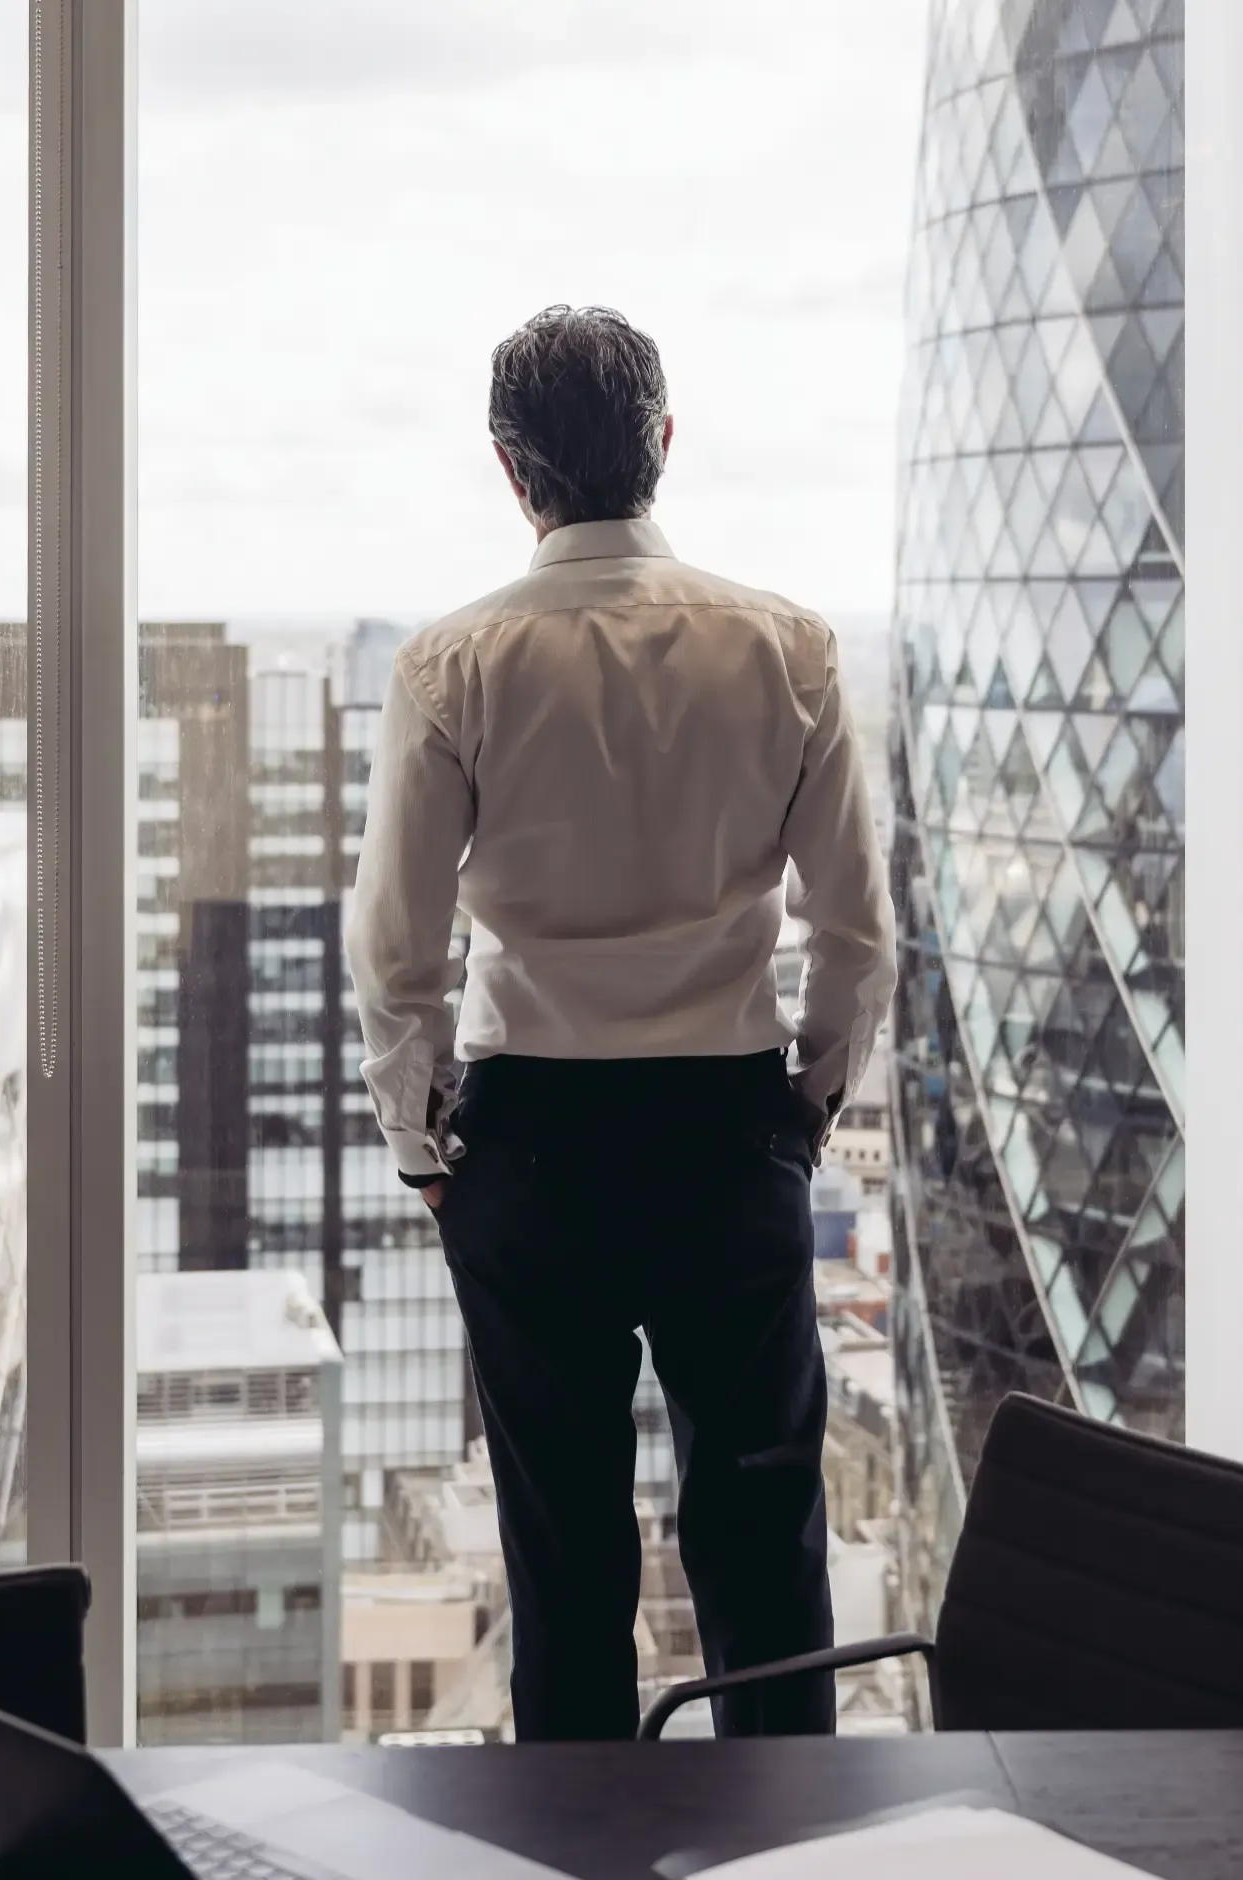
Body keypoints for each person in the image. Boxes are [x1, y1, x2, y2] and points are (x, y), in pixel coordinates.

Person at [349, 305, 894, 1742]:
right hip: (727, 1126)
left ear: (510, 471)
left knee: (564, 1553)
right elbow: (856, 932)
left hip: (530, 1141)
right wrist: (811, 1111)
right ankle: (791, 1854)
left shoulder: (449, 666)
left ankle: (577, 1856)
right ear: (663, 442)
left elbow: (396, 949)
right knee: (767, 1535)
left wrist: (424, 1145)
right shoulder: (789, 648)